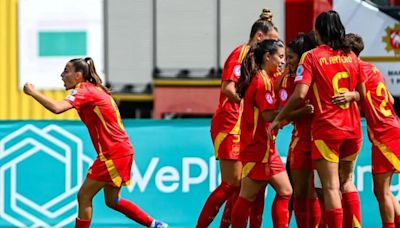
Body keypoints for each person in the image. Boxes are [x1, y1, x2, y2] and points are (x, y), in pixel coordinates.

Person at [23, 57, 168, 228]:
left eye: (66, 71)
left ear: (78, 75)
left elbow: (57, 108)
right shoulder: (94, 89)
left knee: (84, 196)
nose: (62, 75)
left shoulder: (84, 90)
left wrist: (33, 92)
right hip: (121, 150)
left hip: (113, 153)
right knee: (112, 200)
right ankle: (155, 225)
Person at [269, 10, 365, 228]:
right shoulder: (351, 56)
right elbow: (362, 94)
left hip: (327, 130)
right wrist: (352, 95)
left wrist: (279, 118)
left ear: (318, 32)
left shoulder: (312, 57)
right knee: (347, 183)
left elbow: (300, 94)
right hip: (353, 128)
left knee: (329, 188)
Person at [196, 9, 279, 228]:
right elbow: (227, 88)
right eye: (273, 42)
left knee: (244, 185)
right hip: (230, 124)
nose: (276, 49)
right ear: (259, 37)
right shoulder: (241, 53)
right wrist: (247, 102)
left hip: (246, 128)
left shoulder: (260, 61)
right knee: (231, 183)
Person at [334, 33, 400, 228]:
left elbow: (360, 95)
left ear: (346, 52)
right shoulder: (374, 69)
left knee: (383, 192)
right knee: (382, 191)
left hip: (384, 134)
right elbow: (391, 99)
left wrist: (353, 96)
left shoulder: (354, 68)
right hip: (392, 125)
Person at [230, 39, 292, 228]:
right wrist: (295, 111)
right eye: (280, 57)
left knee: (286, 191)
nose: (283, 61)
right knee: (246, 196)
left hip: (267, 148)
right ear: (267, 57)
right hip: (256, 148)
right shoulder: (261, 81)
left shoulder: (265, 78)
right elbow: (267, 115)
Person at [276, 32, 321, 227]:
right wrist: (298, 113)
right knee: (299, 192)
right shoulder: (288, 80)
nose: (287, 61)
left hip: (322, 139)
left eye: (291, 57)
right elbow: (283, 114)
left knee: (318, 192)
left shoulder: (318, 75)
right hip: (300, 140)